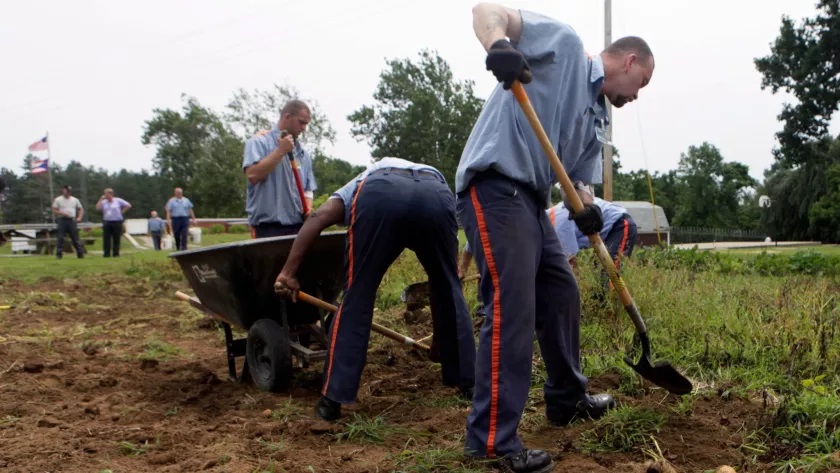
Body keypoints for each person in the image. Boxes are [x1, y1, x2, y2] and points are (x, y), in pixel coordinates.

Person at [455, 3, 654, 471]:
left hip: (530, 200)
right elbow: (488, 10)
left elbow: (577, 185)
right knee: (513, 305)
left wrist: (584, 210)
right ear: (628, 62)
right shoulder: (563, 46)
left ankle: (567, 399)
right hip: (495, 184)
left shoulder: (595, 119)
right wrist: (499, 46)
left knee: (561, 292)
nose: (637, 96)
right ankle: (490, 442)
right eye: (641, 83)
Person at [274, 157, 477, 422]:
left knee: (359, 294)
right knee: (447, 285)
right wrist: (440, 342)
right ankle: (468, 382)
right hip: (435, 193)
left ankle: (333, 399)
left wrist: (288, 273)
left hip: (381, 197)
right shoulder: (422, 173)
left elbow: (318, 217)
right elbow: (441, 290)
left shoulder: (361, 182)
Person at [243, 100, 317, 238]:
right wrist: (280, 151)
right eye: (301, 122)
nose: (304, 128)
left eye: (306, 124)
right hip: (267, 229)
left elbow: (308, 189)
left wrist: (308, 208)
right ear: (287, 117)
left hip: (298, 228)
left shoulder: (303, 154)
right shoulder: (259, 142)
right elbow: (252, 175)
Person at [548, 197, 638, 271]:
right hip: (604, 231)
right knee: (597, 274)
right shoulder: (553, 216)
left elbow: (570, 263)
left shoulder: (558, 225)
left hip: (620, 224)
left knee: (609, 275)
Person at [51, 185, 85, 259]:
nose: (66, 192)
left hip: (71, 220)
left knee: (75, 238)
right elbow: (54, 210)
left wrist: (79, 217)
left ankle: (80, 254)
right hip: (62, 220)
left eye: (68, 191)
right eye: (65, 191)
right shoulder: (58, 199)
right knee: (60, 237)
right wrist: (62, 213)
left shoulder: (75, 200)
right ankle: (59, 254)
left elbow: (80, 209)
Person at [96, 188, 131, 257]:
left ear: (111, 194)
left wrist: (122, 212)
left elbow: (128, 205)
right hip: (107, 222)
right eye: (104, 194)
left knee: (116, 238)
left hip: (117, 221)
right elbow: (98, 208)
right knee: (106, 238)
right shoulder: (104, 202)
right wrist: (100, 199)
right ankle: (106, 253)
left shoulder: (118, 200)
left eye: (106, 194)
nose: (105, 195)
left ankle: (116, 253)